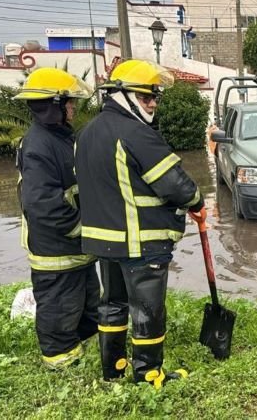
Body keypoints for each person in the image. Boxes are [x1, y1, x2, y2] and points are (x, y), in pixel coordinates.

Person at [75, 59, 204, 386]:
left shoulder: (86, 134)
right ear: (123, 95)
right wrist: (198, 202)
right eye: (147, 97)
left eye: (155, 97)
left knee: (112, 305)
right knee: (147, 312)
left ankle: (113, 369)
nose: (153, 104)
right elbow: (176, 185)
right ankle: (149, 376)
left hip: (104, 242)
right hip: (141, 242)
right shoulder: (136, 134)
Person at [14, 67, 100, 369]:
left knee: (88, 308)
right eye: (69, 103)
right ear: (53, 105)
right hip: (56, 251)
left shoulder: (61, 138)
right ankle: (60, 364)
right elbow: (43, 204)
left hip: (77, 249)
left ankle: (85, 356)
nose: (74, 108)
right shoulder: (38, 145)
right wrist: (81, 227)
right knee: (60, 311)